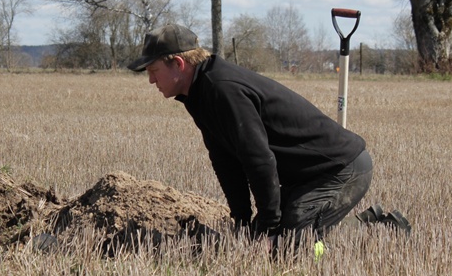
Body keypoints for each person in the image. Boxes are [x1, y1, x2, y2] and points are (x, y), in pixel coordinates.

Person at [128, 24, 377, 249]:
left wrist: (268, 226)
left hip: (340, 170)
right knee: (262, 238)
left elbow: (258, 158)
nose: (151, 80)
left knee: (288, 247)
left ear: (179, 65)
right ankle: (346, 227)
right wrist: (243, 219)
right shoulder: (197, 94)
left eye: (153, 70)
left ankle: (370, 233)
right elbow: (225, 160)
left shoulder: (222, 89)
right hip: (305, 178)